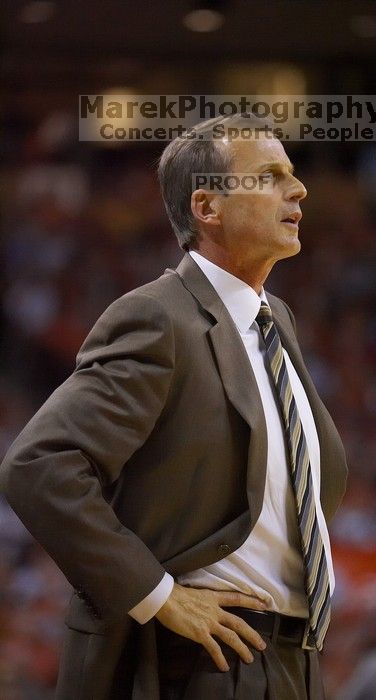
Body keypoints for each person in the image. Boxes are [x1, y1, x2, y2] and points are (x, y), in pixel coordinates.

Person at [0, 112, 347, 699]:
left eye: (291, 173)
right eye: (268, 176)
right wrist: (158, 595)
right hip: (201, 661)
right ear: (207, 208)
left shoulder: (276, 319)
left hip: (295, 660)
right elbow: (40, 466)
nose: (299, 189)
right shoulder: (159, 317)